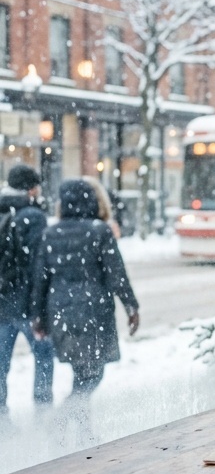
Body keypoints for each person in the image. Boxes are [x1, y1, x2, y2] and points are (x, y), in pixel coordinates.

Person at [31, 179, 139, 401]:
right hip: (93, 312)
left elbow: (40, 280)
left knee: (81, 372)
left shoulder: (50, 233)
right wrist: (131, 306)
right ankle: (64, 419)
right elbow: (116, 274)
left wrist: (38, 316)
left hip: (60, 312)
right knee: (92, 374)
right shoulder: (100, 231)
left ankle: (81, 430)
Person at [0, 164, 54, 416]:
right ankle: (42, 411)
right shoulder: (33, 216)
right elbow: (39, 266)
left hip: (1, 304)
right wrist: (40, 308)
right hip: (26, 303)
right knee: (43, 355)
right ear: (31, 188)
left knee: (0, 363)